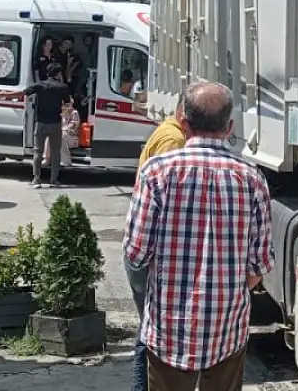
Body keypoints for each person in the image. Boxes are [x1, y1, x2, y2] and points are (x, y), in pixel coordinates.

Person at [124, 82, 274, 391]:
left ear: (184, 123)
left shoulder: (156, 173)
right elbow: (259, 264)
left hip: (167, 330)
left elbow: (136, 253)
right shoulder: (253, 180)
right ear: (230, 127)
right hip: (227, 331)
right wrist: (226, 292)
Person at [125, 101, 187, 391]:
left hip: (145, 249)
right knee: (151, 335)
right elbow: (168, 200)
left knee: (149, 330)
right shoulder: (174, 141)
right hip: (151, 253)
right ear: (185, 115)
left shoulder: (168, 132)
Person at [0, 62, 73, 188]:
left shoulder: (39, 85)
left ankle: (36, 179)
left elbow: (22, 93)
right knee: (55, 153)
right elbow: (68, 103)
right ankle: (54, 180)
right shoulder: (62, 87)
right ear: (58, 74)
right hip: (55, 124)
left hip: (40, 123)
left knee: (37, 152)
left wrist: (1, 94)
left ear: (47, 73)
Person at [59, 97, 80, 169]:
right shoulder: (61, 113)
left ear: (71, 104)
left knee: (61, 135)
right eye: (64, 104)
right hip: (63, 135)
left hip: (73, 138)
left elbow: (73, 124)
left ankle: (66, 161)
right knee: (52, 134)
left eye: (68, 104)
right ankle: (47, 158)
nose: (66, 106)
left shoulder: (74, 113)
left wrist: (65, 128)